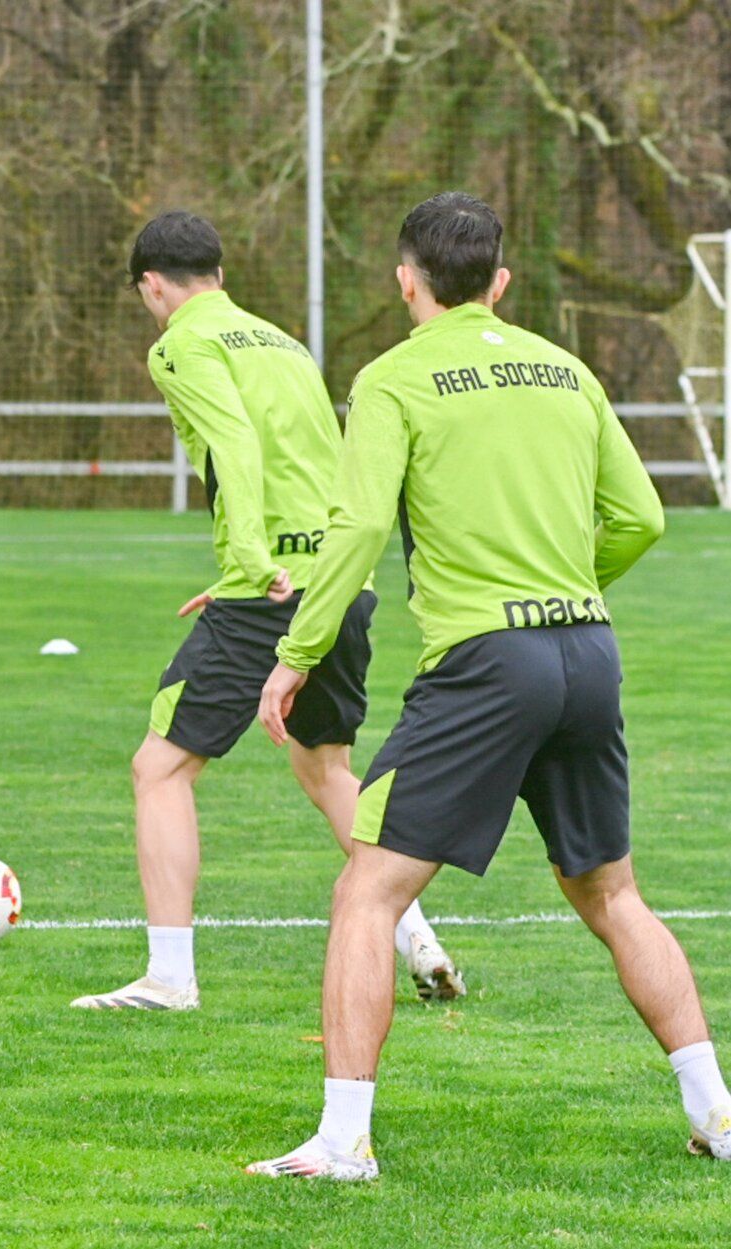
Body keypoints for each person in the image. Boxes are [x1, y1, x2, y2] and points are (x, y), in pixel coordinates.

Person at [248, 192, 729, 1180]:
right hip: (586, 649)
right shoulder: (566, 370)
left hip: (485, 664)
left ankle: (341, 1140)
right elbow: (641, 517)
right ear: (499, 282)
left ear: (405, 280)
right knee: (612, 892)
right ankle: (716, 1113)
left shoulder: (391, 379)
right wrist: (569, 590)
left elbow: (357, 528)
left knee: (366, 892)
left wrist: (297, 652)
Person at [70, 212, 460, 1014]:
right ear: (217, 272)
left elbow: (234, 446)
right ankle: (418, 937)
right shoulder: (283, 342)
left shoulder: (179, 344)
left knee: (159, 768)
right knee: (325, 767)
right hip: (339, 582)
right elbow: (323, 457)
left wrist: (247, 561)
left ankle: (168, 977)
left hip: (271, 587)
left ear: (151, 285)